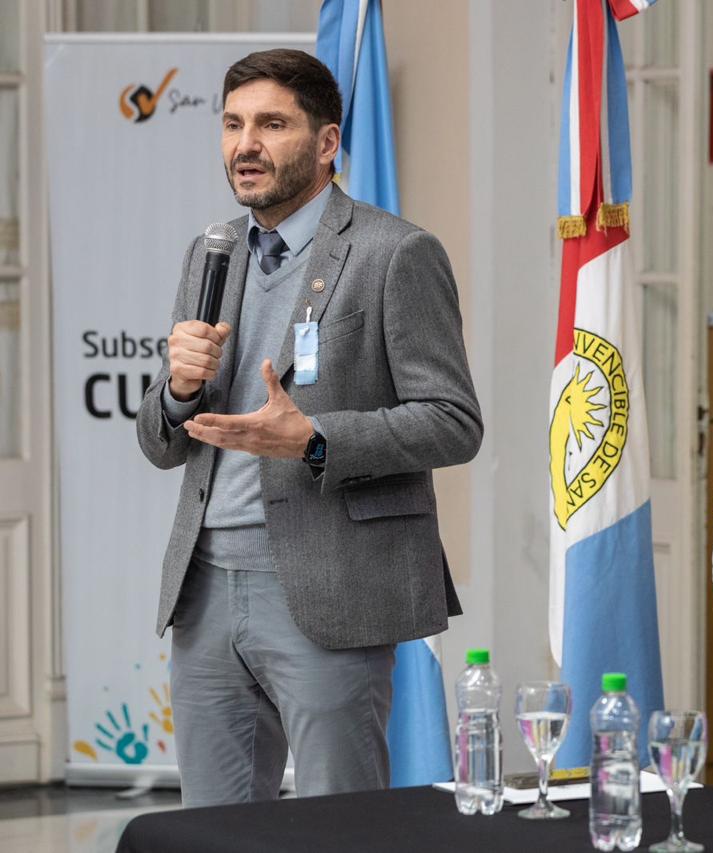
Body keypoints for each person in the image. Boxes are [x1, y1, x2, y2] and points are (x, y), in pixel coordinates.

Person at [136, 49, 481, 806]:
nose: (245, 145)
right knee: (215, 831)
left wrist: (316, 440)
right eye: (232, 124)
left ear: (327, 143)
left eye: (271, 124)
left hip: (331, 588)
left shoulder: (396, 252)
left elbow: (454, 422)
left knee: (339, 826)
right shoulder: (210, 252)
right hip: (204, 588)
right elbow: (162, 445)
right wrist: (179, 389)